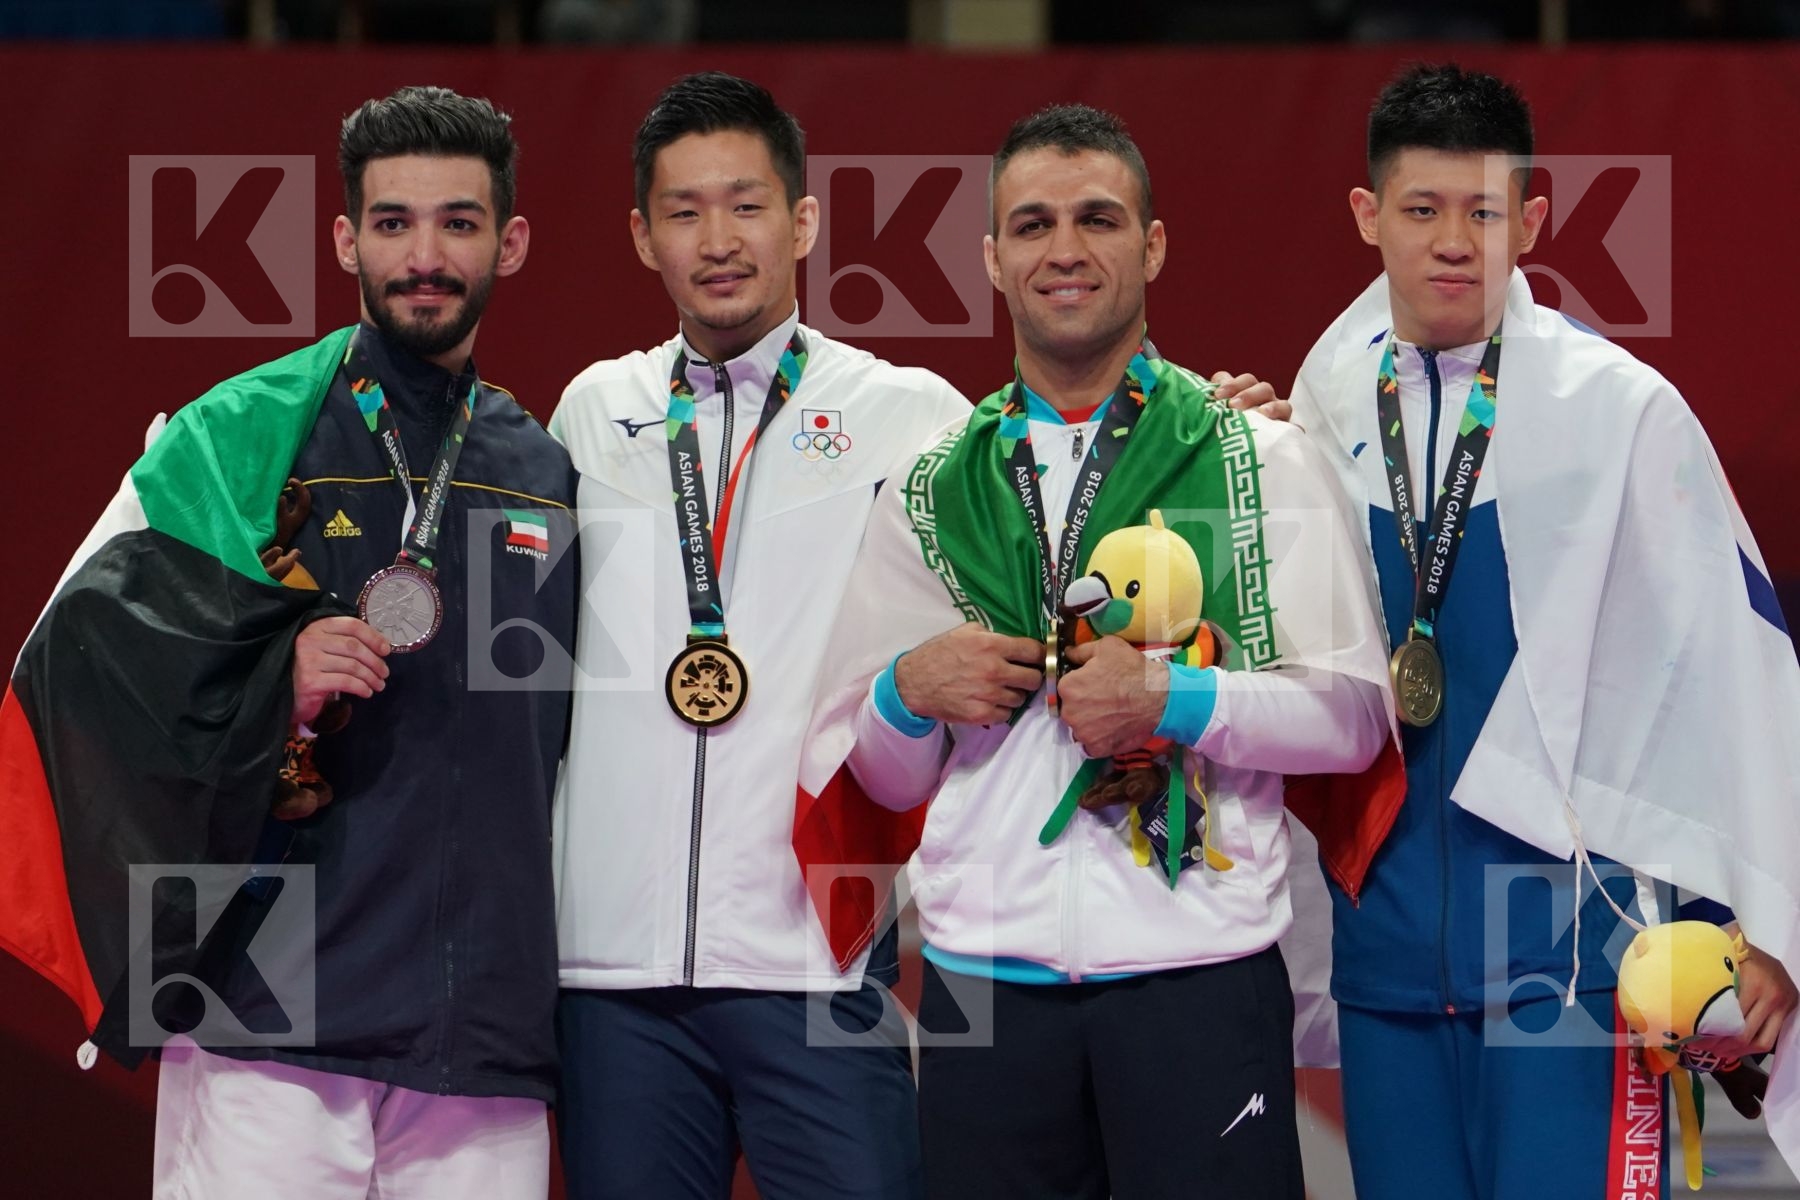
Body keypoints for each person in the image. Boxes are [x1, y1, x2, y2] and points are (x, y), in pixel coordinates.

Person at [800, 103, 1392, 1200]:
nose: (1064, 249)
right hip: (981, 985)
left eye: (1098, 220)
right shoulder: (935, 485)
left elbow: (1355, 722)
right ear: (992, 258)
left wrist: (1176, 697)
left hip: (1198, 977)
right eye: (1032, 225)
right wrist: (905, 692)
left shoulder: (1255, 455)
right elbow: (880, 778)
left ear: (1152, 246)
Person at [0, 86, 577, 1198]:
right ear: (346, 239)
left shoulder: (541, 468)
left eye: (458, 223)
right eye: (394, 223)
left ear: (509, 243)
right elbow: (77, 663)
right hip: (270, 1009)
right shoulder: (246, 431)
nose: (424, 256)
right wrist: (273, 674)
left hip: (480, 1031)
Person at [1288, 63, 1800, 1198]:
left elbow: (1733, 664)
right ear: (1368, 215)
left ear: (1531, 220)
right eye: (1422, 210)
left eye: (1482, 213)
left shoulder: (1618, 410)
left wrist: (1765, 921)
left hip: (1571, 963)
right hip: (1385, 961)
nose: (1452, 243)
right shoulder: (1324, 397)